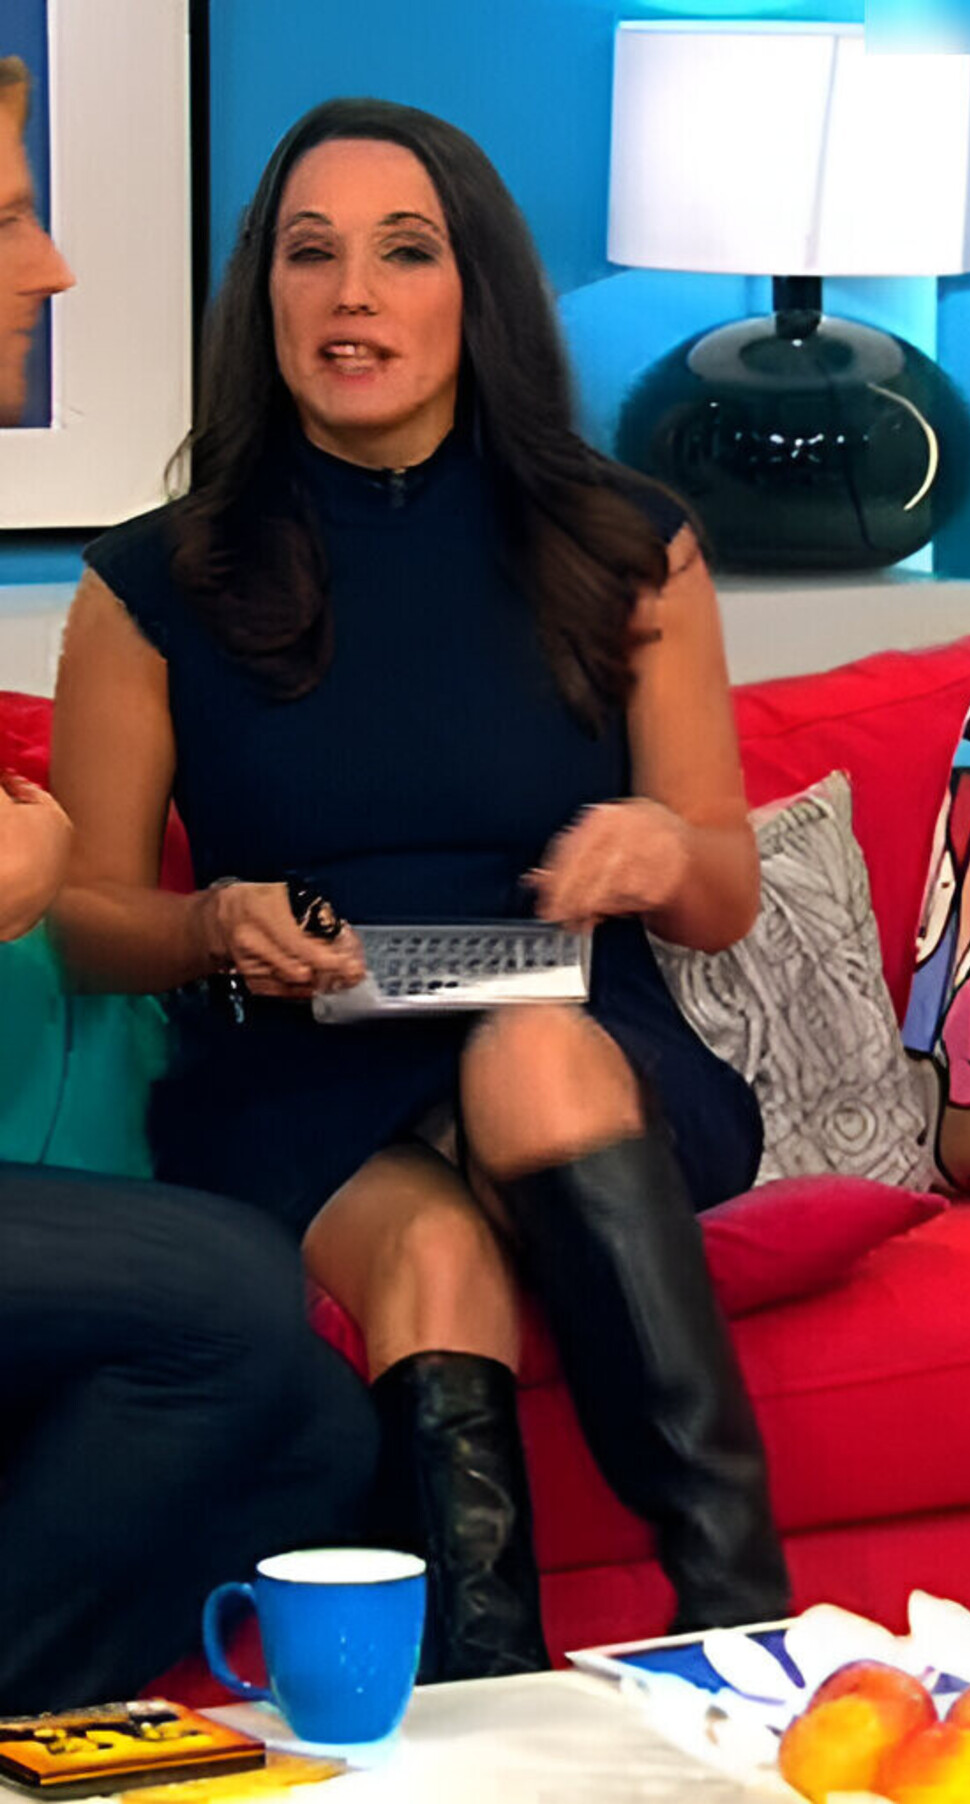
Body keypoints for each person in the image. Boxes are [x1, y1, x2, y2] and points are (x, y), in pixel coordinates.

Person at [50, 97, 791, 1683]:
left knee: (528, 1052)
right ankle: (484, 1703)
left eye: (404, 253)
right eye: (308, 255)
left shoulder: (627, 545)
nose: (353, 296)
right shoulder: (151, 583)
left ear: (477, 292)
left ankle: (738, 1614)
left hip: (582, 1043)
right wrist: (212, 924)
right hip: (299, 1070)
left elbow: (724, 888)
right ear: (264, 297)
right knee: (432, 1262)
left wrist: (660, 849)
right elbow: (90, 921)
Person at [0, 58, 379, 1712]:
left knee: (317, 1434)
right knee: (226, 1280)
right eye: (10, 222)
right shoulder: (142, 592)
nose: (54, 267)